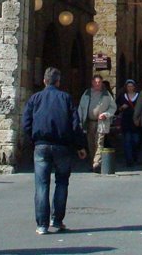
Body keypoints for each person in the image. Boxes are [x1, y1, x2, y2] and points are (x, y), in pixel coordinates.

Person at [22, 66, 87, 235]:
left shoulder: (35, 99)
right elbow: (75, 125)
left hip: (41, 145)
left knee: (42, 185)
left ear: (44, 81)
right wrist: (80, 146)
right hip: (62, 146)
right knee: (62, 182)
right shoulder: (66, 98)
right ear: (58, 82)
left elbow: (26, 124)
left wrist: (34, 139)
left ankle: (42, 225)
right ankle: (57, 221)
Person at [77, 73, 117, 172]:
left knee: (99, 143)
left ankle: (96, 163)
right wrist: (80, 120)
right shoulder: (87, 93)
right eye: (96, 82)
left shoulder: (106, 94)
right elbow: (81, 107)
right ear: (92, 83)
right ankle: (93, 161)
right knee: (91, 144)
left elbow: (113, 107)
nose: (97, 84)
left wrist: (106, 114)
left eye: (99, 82)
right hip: (89, 122)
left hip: (101, 122)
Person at [117, 79, 141, 167]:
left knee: (136, 140)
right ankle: (129, 160)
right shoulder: (122, 97)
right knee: (127, 141)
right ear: (126, 87)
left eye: (131, 86)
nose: (130, 88)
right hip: (126, 121)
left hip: (136, 121)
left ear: (134, 87)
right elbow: (117, 109)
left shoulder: (139, 96)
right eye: (128, 86)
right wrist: (121, 108)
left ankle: (134, 156)